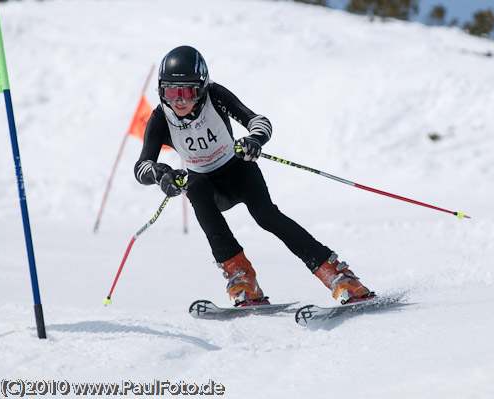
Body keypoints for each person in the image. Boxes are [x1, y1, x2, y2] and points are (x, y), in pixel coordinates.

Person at [134, 46, 373, 306]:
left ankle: (339, 276)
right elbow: (142, 166)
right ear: (161, 90)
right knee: (196, 188)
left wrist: (253, 140)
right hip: (205, 184)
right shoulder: (160, 117)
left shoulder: (214, 95)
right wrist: (161, 175)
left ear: (201, 88)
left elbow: (260, 122)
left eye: (187, 92)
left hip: (238, 170)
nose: (179, 101)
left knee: (267, 216)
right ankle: (241, 278)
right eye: (171, 92)